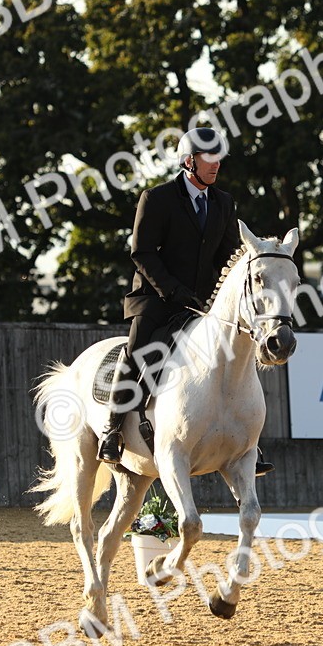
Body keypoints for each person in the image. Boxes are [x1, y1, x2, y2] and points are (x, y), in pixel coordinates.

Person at [98, 127, 272, 476]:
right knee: (138, 350)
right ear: (189, 161)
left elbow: (228, 256)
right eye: (209, 158)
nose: (216, 164)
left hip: (202, 303)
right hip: (157, 298)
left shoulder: (223, 202)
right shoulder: (157, 198)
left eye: (219, 158)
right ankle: (113, 430)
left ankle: (245, 442)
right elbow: (143, 253)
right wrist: (172, 290)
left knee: (233, 352)